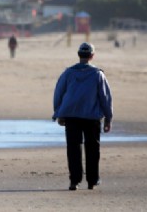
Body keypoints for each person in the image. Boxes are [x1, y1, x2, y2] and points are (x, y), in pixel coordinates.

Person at [53, 42, 113, 191]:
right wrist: (108, 118)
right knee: (93, 149)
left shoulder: (68, 73)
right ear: (92, 56)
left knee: (73, 148)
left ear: (79, 54)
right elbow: (105, 97)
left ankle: (75, 181)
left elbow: (58, 93)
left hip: (71, 116)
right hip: (92, 117)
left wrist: (58, 113)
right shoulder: (98, 74)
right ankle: (92, 181)